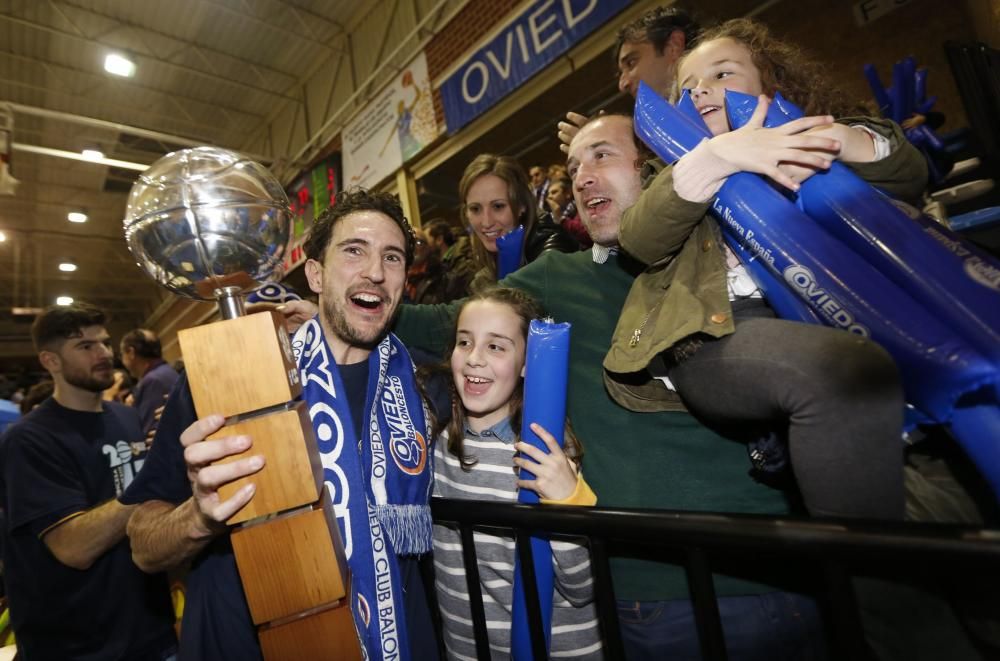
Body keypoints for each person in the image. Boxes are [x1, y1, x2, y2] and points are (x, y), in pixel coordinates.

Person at [392, 114, 826, 660]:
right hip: (641, 598)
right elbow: (447, 324)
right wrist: (339, 309)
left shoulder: (727, 249)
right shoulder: (557, 277)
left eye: (601, 155)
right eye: (574, 166)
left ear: (655, 166)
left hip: (771, 575)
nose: (581, 176)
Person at [603, 18, 922, 521]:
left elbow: (907, 171)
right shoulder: (672, 169)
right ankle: (871, 589)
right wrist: (719, 156)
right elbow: (641, 237)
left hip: (834, 313)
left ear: (770, 85)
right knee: (841, 373)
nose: (704, 90)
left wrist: (833, 141)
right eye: (689, 87)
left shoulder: (811, 135)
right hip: (718, 334)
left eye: (724, 74)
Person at [121, 190, 440, 660]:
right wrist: (200, 515)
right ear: (315, 273)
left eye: (392, 257)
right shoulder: (225, 379)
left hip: (393, 641)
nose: (375, 270)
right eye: (354, 250)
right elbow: (144, 547)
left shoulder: (425, 385)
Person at [430, 287, 602, 660]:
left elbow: (583, 587)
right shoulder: (440, 447)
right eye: (464, 342)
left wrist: (569, 503)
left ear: (527, 363)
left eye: (496, 347)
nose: (474, 359)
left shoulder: (547, 454)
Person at [0, 302, 176, 660]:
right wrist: (152, 479)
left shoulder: (126, 417)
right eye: (85, 346)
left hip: (150, 631)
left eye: (105, 343)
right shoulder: (29, 440)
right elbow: (73, 548)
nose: (103, 354)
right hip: (77, 646)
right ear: (50, 361)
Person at [557, 6, 700, 153]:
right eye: (620, 73)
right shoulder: (659, 134)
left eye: (631, 63)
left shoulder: (716, 105)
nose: (622, 85)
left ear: (673, 46)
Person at [460, 154, 578, 295]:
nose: (486, 222)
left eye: (498, 206)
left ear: (521, 205)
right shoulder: (481, 279)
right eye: (475, 209)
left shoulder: (553, 252)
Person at [120, 329, 179, 438]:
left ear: (131, 352)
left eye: (122, 354)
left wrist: (128, 412)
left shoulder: (153, 380)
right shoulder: (165, 372)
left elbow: (148, 433)